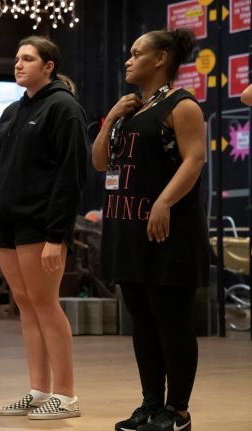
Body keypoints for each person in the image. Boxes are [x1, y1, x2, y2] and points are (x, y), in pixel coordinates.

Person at [91, 28, 207, 431]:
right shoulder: (130, 109)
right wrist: (110, 122)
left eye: (136, 52)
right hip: (128, 231)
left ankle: (177, 411)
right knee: (142, 322)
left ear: (160, 59)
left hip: (168, 232)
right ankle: (150, 404)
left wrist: (163, 202)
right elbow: (100, 163)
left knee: (172, 321)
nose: (128, 59)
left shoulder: (182, 105)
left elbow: (194, 159)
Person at [0, 36, 86, 420]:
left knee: (45, 303)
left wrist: (57, 236)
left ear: (49, 66)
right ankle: (39, 390)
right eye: (17, 57)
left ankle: (67, 395)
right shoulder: (11, 113)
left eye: (28, 58)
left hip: (41, 226)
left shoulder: (64, 107)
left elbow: (70, 176)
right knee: (25, 305)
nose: (18, 64)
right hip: (7, 226)